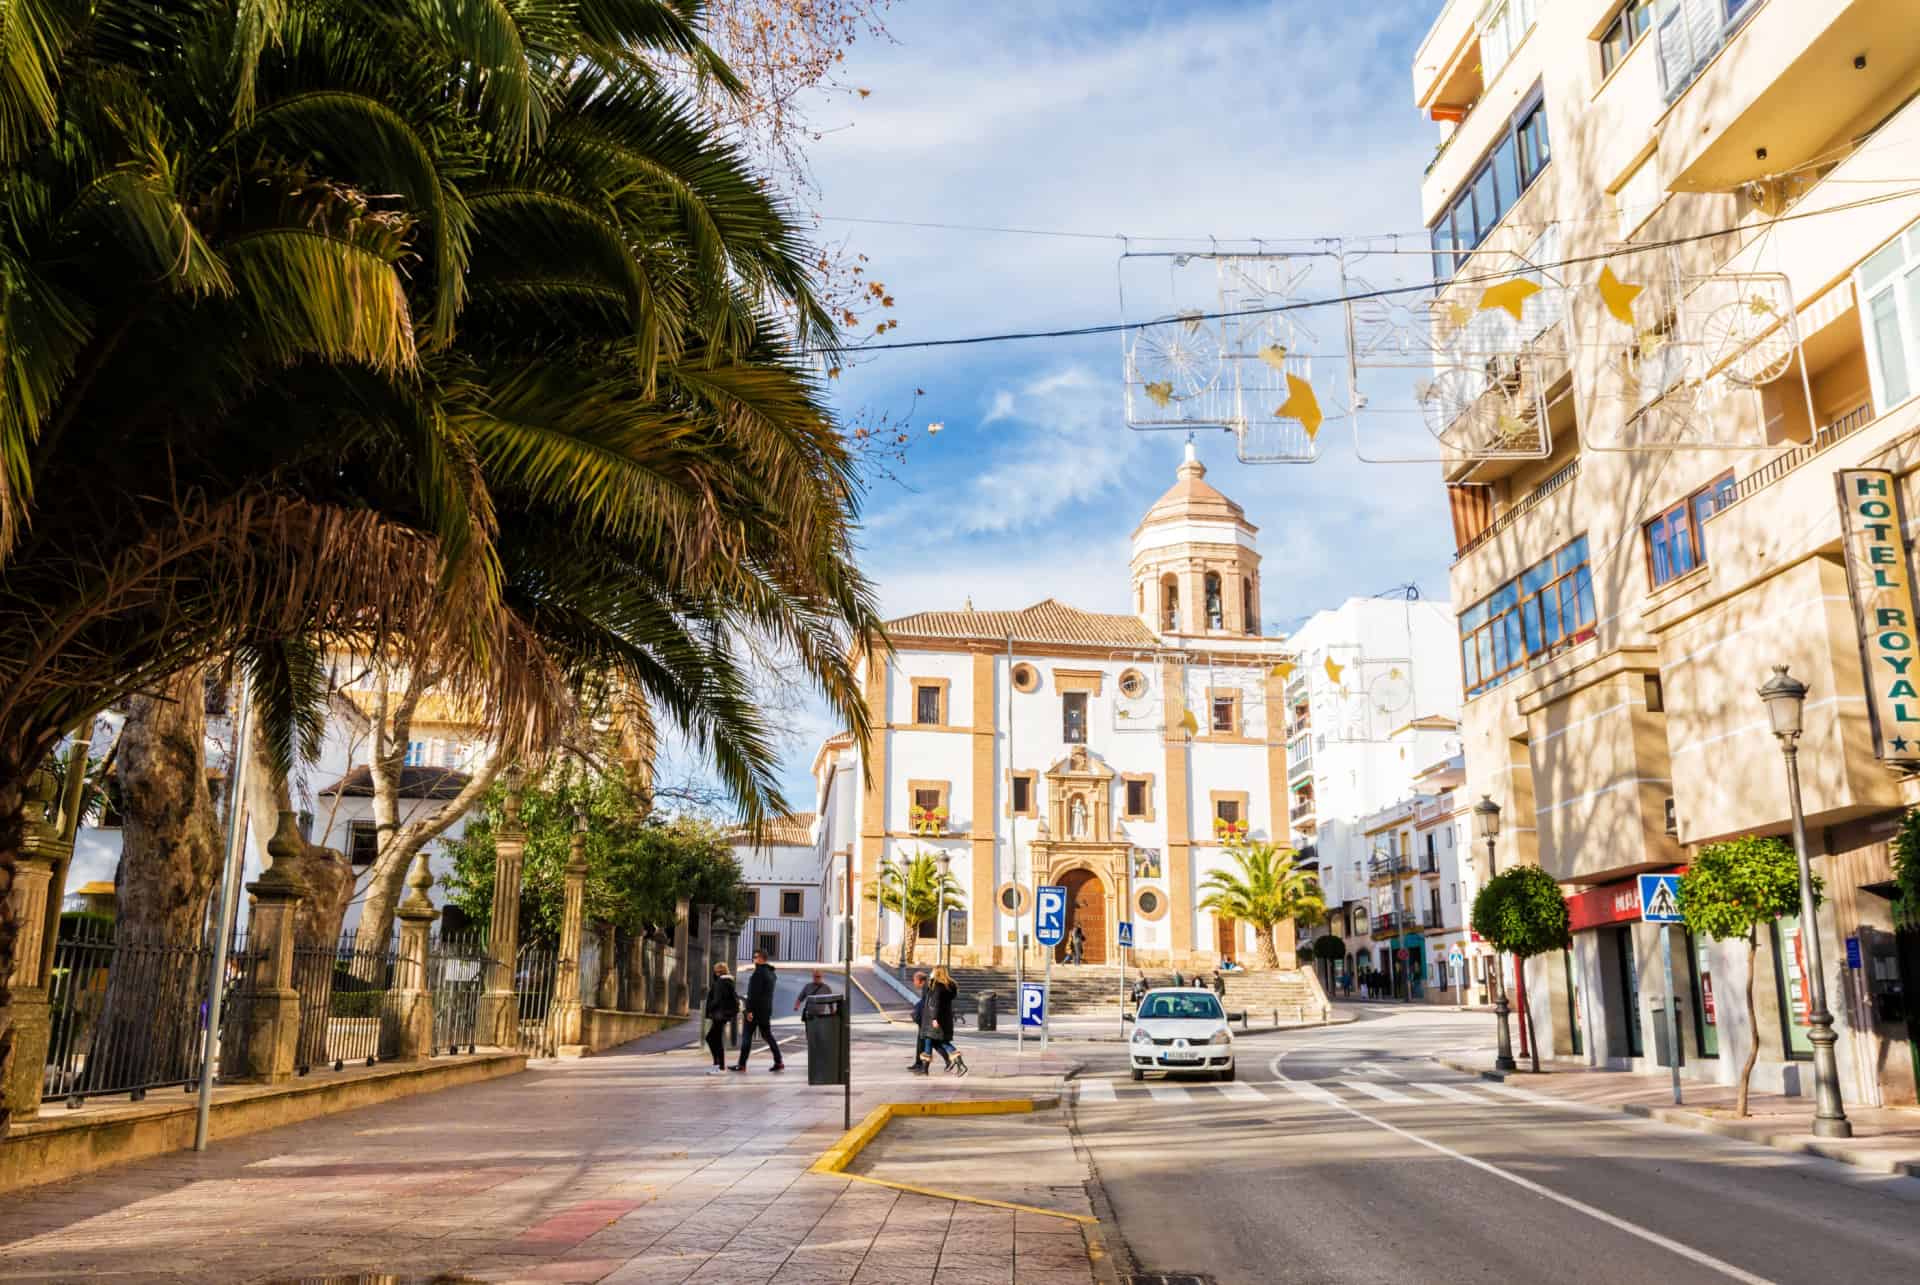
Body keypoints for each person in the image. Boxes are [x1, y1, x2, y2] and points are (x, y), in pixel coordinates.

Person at [732, 950, 785, 1073]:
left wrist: (748, 1011)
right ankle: (779, 1061)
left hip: (755, 1011)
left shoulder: (758, 973)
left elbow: (753, 995)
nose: (753, 959)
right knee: (767, 1035)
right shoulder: (771, 973)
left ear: (761, 959)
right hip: (765, 1010)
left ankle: (741, 1065)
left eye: (755, 957)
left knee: (747, 1036)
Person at [919, 965, 968, 1076]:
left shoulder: (936, 986)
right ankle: (925, 1069)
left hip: (933, 1019)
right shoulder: (949, 986)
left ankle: (959, 1064)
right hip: (945, 1018)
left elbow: (935, 1003)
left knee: (940, 1042)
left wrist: (934, 1018)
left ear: (936, 973)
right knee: (931, 1041)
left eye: (932, 971)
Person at [702, 962, 738, 1074]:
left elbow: (716, 1000)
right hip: (723, 1015)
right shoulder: (729, 982)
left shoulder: (720, 983)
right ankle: (718, 1065)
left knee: (712, 1039)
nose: (715, 972)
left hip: (718, 1015)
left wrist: (710, 1009)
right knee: (715, 1039)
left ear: (718, 972)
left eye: (716, 971)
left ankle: (719, 1066)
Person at [908, 970, 931, 1071]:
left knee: (927, 1043)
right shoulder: (926, 987)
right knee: (922, 1042)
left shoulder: (927, 988)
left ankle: (921, 1065)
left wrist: (916, 1011)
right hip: (924, 1019)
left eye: (914, 980)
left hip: (926, 1020)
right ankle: (919, 1063)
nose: (914, 983)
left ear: (920, 981)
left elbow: (925, 1004)